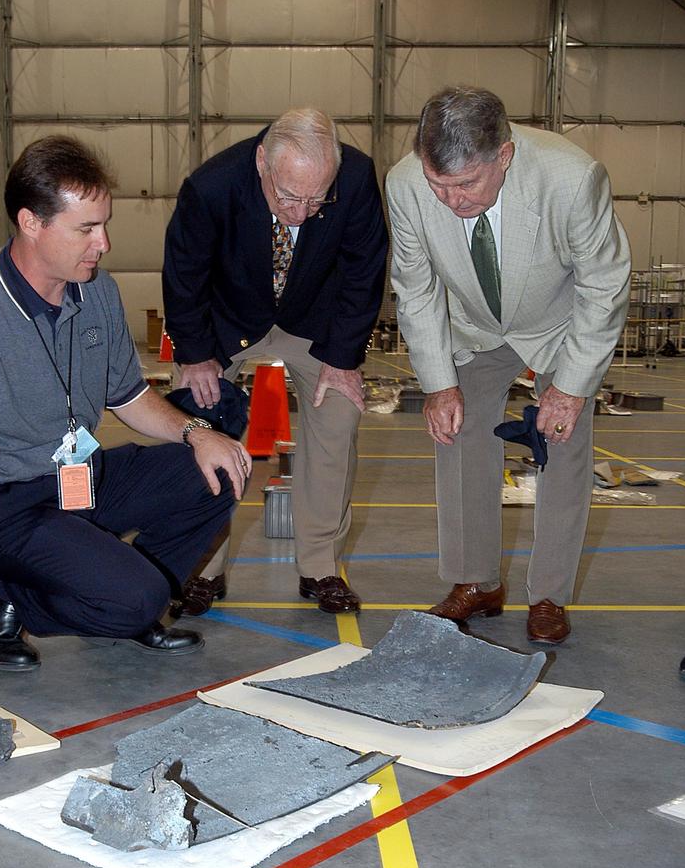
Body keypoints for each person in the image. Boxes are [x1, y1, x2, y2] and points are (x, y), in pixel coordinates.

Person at [0, 136, 251, 671]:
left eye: (105, 224)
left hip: (77, 479)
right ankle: (8, 596)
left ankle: (128, 603)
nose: (104, 243)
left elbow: (128, 396)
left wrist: (196, 433)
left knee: (220, 469)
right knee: (136, 598)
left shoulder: (98, 293)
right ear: (31, 223)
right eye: (86, 229)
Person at [386, 87, 631, 645]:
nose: (450, 201)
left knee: (561, 443)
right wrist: (439, 384)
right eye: (437, 184)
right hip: (475, 327)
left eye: (466, 184)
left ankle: (548, 594)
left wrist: (568, 388)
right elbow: (416, 288)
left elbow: (603, 284)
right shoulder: (404, 185)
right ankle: (476, 583)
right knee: (456, 430)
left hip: (557, 325)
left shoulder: (572, 179)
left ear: (505, 155)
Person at [162, 108, 388, 616]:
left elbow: (364, 269)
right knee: (200, 426)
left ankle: (321, 566)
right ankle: (204, 566)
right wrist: (195, 357)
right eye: (288, 196)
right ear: (262, 161)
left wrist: (344, 358)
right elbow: (184, 275)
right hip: (227, 322)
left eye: (316, 199)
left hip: (314, 319)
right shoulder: (211, 186)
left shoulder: (354, 177)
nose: (302, 213)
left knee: (339, 415)